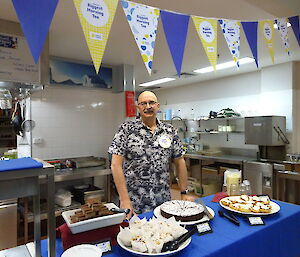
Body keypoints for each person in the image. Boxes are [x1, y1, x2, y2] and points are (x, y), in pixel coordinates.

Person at [108, 91, 193, 219]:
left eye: (151, 102)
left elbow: (179, 161)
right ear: (138, 107)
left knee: (163, 235)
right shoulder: (126, 129)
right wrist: (124, 199)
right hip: (134, 202)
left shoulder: (169, 131)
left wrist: (184, 192)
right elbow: (115, 165)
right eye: (143, 103)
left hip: (163, 201)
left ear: (158, 106)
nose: (148, 106)